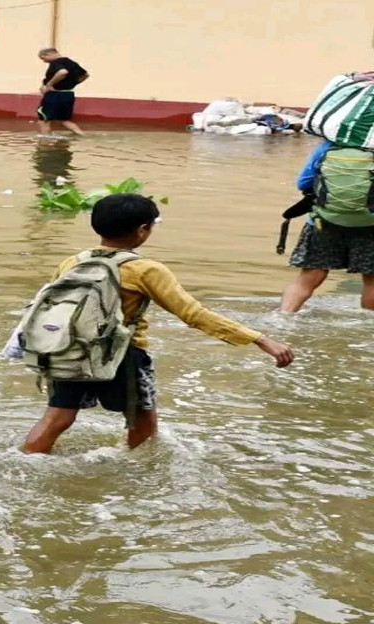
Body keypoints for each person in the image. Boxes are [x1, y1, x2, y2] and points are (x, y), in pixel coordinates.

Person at [22, 194, 295, 454]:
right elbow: (193, 313)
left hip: (69, 349)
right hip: (123, 355)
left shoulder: (72, 261)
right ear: (143, 230)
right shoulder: (145, 269)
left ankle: (28, 458)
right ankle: (135, 475)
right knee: (142, 422)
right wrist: (259, 338)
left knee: (56, 418)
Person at [279, 139, 374, 312]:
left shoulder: (328, 146)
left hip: (323, 222)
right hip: (370, 226)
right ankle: (367, 324)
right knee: (372, 280)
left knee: (310, 276)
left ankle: (283, 317)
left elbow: (303, 183)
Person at [37, 47, 89, 136]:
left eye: (43, 58)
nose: (44, 61)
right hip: (68, 94)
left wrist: (49, 85)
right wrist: (74, 83)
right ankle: (82, 135)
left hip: (54, 95)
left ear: (49, 54)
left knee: (43, 120)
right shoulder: (72, 63)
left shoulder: (56, 62)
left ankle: (44, 140)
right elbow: (86, 75)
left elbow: (63, 72)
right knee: (64, 120)